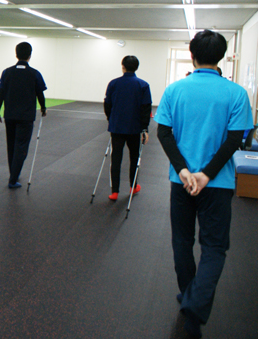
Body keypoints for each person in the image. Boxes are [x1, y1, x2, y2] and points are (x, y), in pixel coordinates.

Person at [155, 30, 252, 339]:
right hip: (218, 184)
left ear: (192, 54)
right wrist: (207, 174)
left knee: (182, 242)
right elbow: (234, 140)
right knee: (214, 247)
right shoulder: (237, 93)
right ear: (221, 57)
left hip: (181, 183)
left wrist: (184, 170)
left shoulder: (175, 90)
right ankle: (195, 305)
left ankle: (189, 296)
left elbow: (164, 133)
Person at [0, 42, 47, 189]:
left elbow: (1, 94)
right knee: (21, 147)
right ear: (30, 55)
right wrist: (43, 108)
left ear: (16, 54)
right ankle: (13, 179)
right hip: (26, 117)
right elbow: (40, 94)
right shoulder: (35, 73)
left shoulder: (7, 72)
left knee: (11, 145)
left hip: (9, 116)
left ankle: (13, 174)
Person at [103, 55, 152, 201]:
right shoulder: (143, 85)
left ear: (122, 66)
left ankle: (115, 191)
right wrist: (145, 129)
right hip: (134, 128)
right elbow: (146, 108)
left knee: (116, 159)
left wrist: (111, 119)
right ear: (136, 67)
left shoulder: (113, 83)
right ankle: (133, 186)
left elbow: (107, 104)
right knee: (134, 157)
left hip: (117, 127)